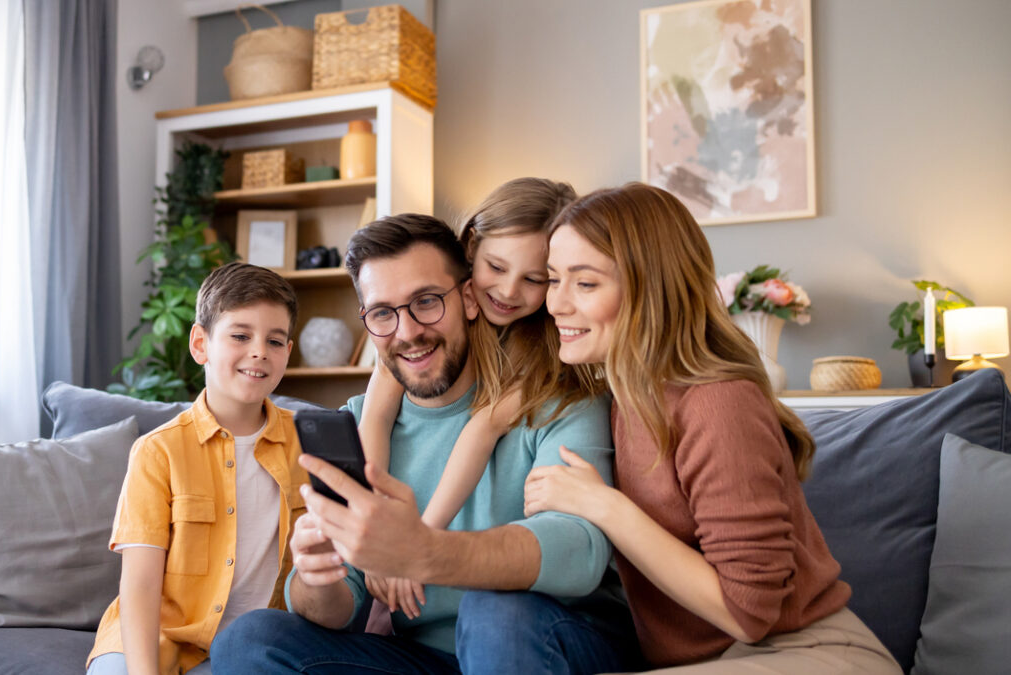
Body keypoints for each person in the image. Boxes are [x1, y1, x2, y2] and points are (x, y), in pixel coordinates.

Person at [210, 213, 641, 673]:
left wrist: (428, 554)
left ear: (470, 299)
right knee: (250, 641)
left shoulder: (557, 396)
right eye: (382, 313)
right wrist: (318, 578)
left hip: (550, 636)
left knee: (494, 611)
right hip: (427, 659)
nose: (408, 331)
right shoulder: (360, 423)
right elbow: (342, 607)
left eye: (427, 301)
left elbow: (580, 549)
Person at [525, 183, 900, 673]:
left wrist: (604, 505)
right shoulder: (622, 398)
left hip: (801, 654)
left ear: (650, 288)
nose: (556, 304)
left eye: (586, 283)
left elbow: (748, 612)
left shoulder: (718, 402)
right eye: (553, 279)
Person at [358, 178, 596, 619]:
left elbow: (481, 431)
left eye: (535, 279)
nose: (507, 292)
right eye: (497, 267)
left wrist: (416, 544)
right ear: (471, 247)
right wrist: (382, 531)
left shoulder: (542, 356)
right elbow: (374, 416)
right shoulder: (424, 325)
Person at [86, 262, 309, 675]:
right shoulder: (158, 451)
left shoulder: (308, 445)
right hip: (159, 637)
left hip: (253, 645)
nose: (259, 350)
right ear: (200, 343)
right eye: (240, 336)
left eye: (274, 341)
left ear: (287, 354)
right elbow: (139, 587)